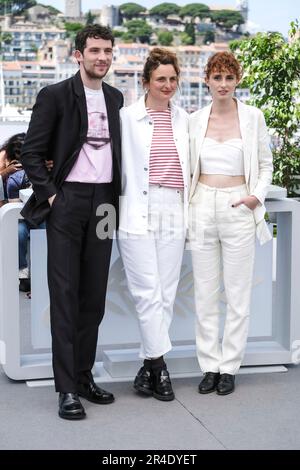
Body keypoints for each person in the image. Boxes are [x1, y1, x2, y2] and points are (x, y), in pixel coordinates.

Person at [21, 24, 123, 420]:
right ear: (78, 54)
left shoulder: (115, 98)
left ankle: (83, 376)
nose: (102, 57)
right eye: (95, 50)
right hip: (68, 202)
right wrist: (51, 196)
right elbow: (31, 152)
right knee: (64, 298)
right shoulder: (55, 96)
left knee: (93, 298)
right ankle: (65, 389)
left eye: (107, 51)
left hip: (104, 205)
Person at [189, 52, 273, 395]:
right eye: (216, 77)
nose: (222, 84)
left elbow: (266, 164)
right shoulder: (194, 119)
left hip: (239, 204)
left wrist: (255, 197)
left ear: (237, 80)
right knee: (205, 294)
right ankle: (209, 366)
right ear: (206, 80)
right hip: (201, 205)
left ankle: (230, 367)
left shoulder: (253, 117)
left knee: (238, 295)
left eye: (228, 77)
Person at [118, 48, 190, 401]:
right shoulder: (126, 117)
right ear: (145, 81)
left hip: (173, 207)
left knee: (166, 293)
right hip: (136, 208)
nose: (168, 85)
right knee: (146, 292)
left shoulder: (184, 119)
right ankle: (160, 367)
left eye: (173, 79)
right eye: (161, 79)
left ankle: (146, 367)